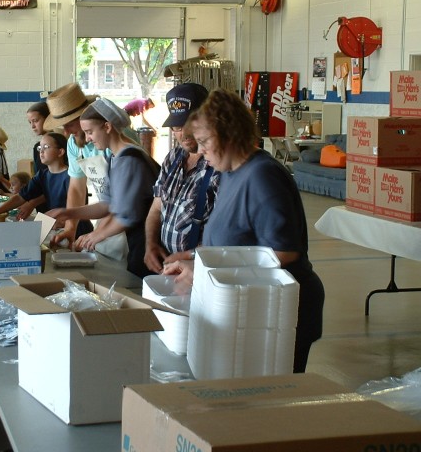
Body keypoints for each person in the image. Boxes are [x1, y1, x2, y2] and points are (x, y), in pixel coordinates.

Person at [163, 88, 325, 373]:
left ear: (229, 134)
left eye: (204, 142)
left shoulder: (262, 176)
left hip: (279, 313)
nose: (200, 151)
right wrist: (193, 256)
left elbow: (283, 253)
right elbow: (236, 238)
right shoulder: (229, 173)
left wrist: (204, 270)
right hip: (246, 307)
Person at [49, 97, 160, 278]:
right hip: (135, 238)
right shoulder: (113, 158)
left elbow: (127, 216)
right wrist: (68, 213)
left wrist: (97, 236)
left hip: (148, 239)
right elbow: (106, 205)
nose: (87, 139)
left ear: (107, 127)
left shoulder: (129, 159)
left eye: (90, 132)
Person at [144, 83, 217, 274]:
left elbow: (228, 237)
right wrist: (151, 245)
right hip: (167, 268)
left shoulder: (219, 166)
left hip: (200, 270)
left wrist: (193, 260)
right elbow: (156, 209)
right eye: (176, 127)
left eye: (188, 125)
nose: (182, 134)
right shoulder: (173, 158)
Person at [0, 132, 94, 237]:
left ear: (60, 152)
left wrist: (60, 220)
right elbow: (20, 197)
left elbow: (79, 210)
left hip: (78, 231)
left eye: (46, 147)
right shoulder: (42, 175)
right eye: (40, 148)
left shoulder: (72, 177)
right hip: (57, 228)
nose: (41, 151)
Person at [42, 83, 104, 248]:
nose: (66, 132)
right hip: (107, 215)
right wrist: (70, 228)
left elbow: (121, 201)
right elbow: (76, 188)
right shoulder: (73, 143)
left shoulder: (109, 141)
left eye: (69, 124)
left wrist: (99, 232)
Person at [27, 101, 52, 174]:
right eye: (30, 122)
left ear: (48, 118)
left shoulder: (59, 144)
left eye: (35, 121)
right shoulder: (37, 147)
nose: (32, 126)